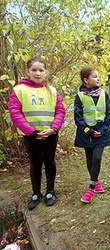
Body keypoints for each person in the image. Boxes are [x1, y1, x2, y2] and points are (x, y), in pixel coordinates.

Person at [8, 57, 66, 210]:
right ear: (27, 71)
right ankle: (36, 193)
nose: (38, 73)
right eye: (34, 70)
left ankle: (50, 192)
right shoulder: (19, 90)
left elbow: (60, 111)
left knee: (49, 161)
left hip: (50, 135)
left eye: (41, 70)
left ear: (45, 72)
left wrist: (53, 128)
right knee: (35, 164)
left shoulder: (52, 91)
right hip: (31, 136)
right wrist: (31, 132)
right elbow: (15, 113)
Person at [74, 66, 110, 204]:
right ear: (86, 80)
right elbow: (78, 118)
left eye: (98, 76)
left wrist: (103, 129)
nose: (98, 79)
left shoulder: (104, 93)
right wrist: (89, 131)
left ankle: (91, 188)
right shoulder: (80, 96)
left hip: (102, 132)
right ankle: (96, 181)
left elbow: (108, 113)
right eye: (95, 77)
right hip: (86, 133)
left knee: (97, 158)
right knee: (90, 158)